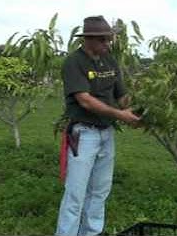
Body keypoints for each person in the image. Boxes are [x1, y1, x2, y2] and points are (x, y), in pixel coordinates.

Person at [55, 15, 140, 236]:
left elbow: (121, 96)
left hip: (106, 133)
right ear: (89, 39)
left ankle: (91, 233)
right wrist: (120, 115)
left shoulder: (110, 60)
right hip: (84, 134)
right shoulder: (74, 62)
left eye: (108, 39)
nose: (107, 43)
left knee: (100, 191)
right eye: (103, 40)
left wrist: (138, 111)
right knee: (76, 193)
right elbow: (85, 100)